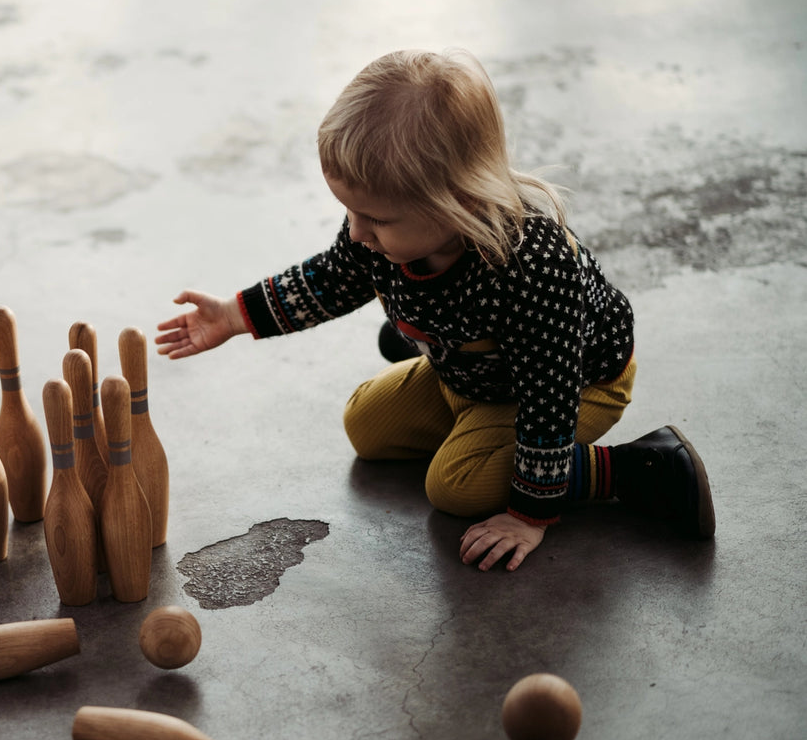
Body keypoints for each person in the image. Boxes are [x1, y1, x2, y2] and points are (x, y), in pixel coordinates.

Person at [156, 49, 713, 573]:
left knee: (455, 486)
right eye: (350, 212)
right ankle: (433, 338)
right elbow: (329, 278)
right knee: (364, 425)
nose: (356, 232)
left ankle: (641, 469)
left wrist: (529, 513)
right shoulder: (382, 227)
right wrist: (233, 315)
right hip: (477, 373)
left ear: (461, 200)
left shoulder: (530, 269)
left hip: (576, 383)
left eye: (375, 220)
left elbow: (549, 401)